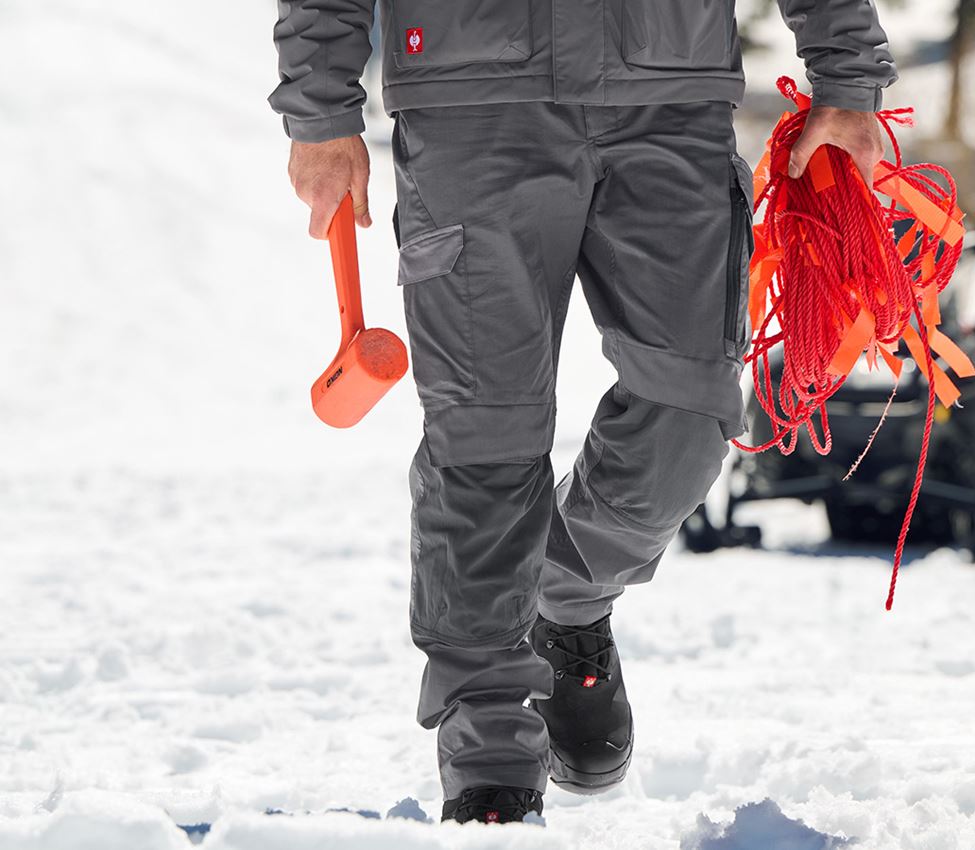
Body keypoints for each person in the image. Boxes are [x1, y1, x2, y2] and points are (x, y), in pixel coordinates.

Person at [270, 0, 896, 825]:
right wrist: (320, 109)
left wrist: (845, 73)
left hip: (669, 100)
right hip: (472, 104)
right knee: (485, 441)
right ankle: (489, 756)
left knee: (691, 411)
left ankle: (562, 594)